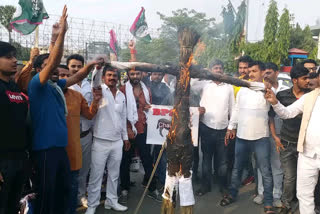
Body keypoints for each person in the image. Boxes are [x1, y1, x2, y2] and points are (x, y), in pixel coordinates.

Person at [28, 6, 97, 214]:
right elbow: (56, 60)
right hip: (45, 149)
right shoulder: (36, 85)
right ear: (40, 69)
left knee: (64, 190)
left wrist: (91, 64)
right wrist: (62, 34)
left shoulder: (56, 87)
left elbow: (76, 77)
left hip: (60, 149)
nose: (56, 69)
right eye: (49, 66)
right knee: (47, 193)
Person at [264, 65, 320, 214]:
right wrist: (275, 102)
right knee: (303, 194)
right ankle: (289, 204)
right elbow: (287, 113)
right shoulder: (310, 97)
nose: (309, 80)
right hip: (306, 153)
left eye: (310, 76)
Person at [221, 61, 275, 214]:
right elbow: (237, 109)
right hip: (242, 136)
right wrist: (231, 127)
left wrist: (249, 83)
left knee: (265, 170)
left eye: (254, 71)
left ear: (263, 72)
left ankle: (268, 202)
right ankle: (232, 194)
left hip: (261, 137)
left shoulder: (267, 90)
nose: (250, 74)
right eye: (249, 71)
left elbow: (267, 88)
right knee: (237, 168)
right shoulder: (243, 90)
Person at [86, 66, 130, 214]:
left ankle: (112, 201)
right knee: (96, 175)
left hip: (117, 142)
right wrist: (98, 68)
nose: (112, 78)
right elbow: (94, 81)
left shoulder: (121, 95)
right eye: (109, 75)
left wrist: (125, 138)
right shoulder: (99, 90)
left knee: (114, 174)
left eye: (115, 75)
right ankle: (92, 204)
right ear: (104, 77)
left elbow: (123, 118)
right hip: (100, 141)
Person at [58, 65, 101, 214]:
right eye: (60, 75)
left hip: (77, 141)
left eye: (66, 75)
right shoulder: (47, 93)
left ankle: (74, 203)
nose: (63, 78)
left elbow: (89, 115)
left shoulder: (76, 96)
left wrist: (95, 101)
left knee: (76, 176)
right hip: (53, 145)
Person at [120, 68, 162, 203]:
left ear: (142, 74)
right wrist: (127, 129)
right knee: (125, 161)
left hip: (143, 130)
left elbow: (149, 107)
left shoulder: (146, 89)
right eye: (132, 74)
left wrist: (148, 108)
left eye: (137, 73)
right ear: (128, 75)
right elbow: (121, 112)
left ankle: (152, 188)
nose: (135, 76)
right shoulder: (122, 90)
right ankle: (124, 189)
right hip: (128, 131)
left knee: (147, 160)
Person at [196, 59, 234, 197]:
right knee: (206, 159)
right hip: (206, 127)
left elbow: (233, 109)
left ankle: (223, 187)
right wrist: (203, 73)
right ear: (211, 70)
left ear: (223, 70)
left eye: (220, 68)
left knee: (222, 162)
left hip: (223, 129)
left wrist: (231, 127)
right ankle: (205, 186)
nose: (218, 70)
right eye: (215, 68)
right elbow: (191, 84)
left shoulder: (228, 86)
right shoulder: (205, 84)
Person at [0, 42, 29, 214]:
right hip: (3, 162)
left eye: (15, 56)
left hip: (19, 158)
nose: (15, 61)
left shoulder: (13, 86)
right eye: (8, 57)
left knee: (12, 206)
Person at [253, 62, 287, 207]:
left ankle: (277, 195)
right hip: (261, 132)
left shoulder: (286, 90)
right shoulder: (258, 89)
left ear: (276, 73)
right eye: (264, 73)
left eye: (269, 73)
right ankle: (262, 193)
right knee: (262, 164)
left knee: (277, 165)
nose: (265, 75)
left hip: (280, 133)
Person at [66, 54, 94, 207]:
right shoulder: (65, 86)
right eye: (73, 66)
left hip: (86, 135)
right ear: (68, 67)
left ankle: (81, 195)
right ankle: (67, 196)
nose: (76, 69)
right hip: (69, 137)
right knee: (70, 169)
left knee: (84, 169)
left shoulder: (88, 85)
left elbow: (92, 112)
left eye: (79, 66)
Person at [149, 71, 173, 191]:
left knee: (161, 153)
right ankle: (149, 178)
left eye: (159, 74)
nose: (157, 76)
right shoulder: (146, 86)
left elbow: (169, 104)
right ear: (151, 75)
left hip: (160, 123)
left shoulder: (166, 88)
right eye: (155, 74)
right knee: (148, 154)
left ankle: (162, 179)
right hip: (147, 123)